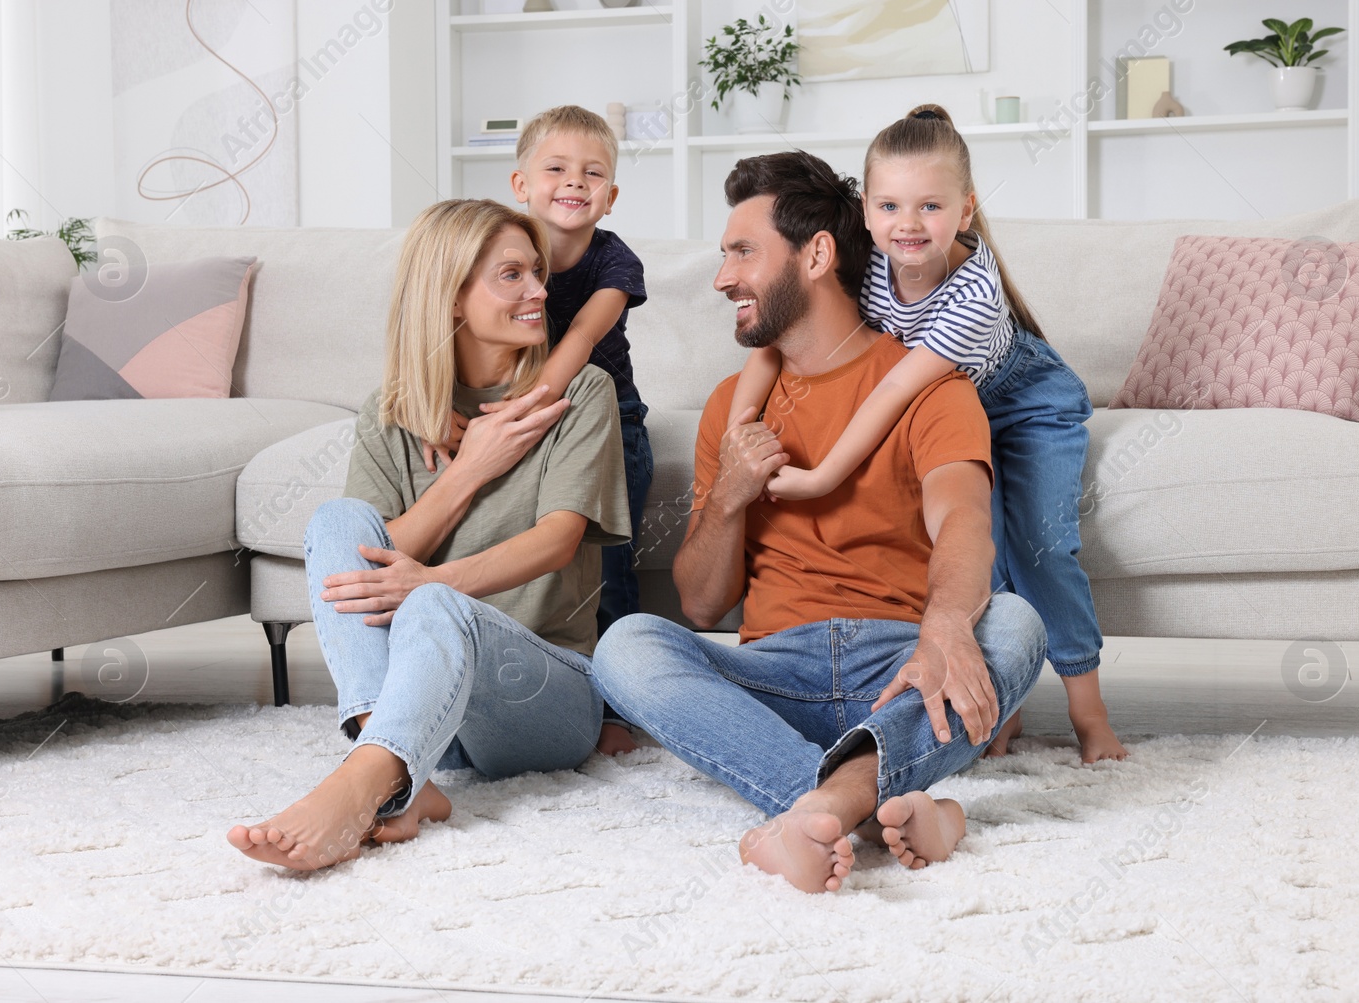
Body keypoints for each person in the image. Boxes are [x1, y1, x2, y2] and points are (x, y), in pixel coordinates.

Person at [590, 151, 1047, 894]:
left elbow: (964, 520)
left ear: (818, 255)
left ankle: (820, 807)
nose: (722, 277)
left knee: (1017, 624)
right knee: (626, 646)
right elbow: (703, 604)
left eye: (743, 252)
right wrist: (730, 496)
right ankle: (867, 805)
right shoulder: (730, 407)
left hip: (901, 672)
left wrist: (943, 629)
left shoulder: (932, 388)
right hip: (774, 674)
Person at [228, 199, 631, 871]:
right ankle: (396, 766)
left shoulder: (578, 393)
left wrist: (433, 583)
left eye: (537, 272)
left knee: (436, 602)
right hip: (430, 715)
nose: (539, 290)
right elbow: (365, 554)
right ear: (450, 299)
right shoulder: (390, 414)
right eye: (512, 275)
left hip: (538, 701)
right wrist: (468, 470)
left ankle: (367, 780)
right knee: (335, 520)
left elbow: (557, 542)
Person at [726, 105, 1125, 764]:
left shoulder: (974, 301)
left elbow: (891, 391)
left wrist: (820, 476)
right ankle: (1004, 709)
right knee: (978, 556)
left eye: (930, 207)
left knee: (1041, 548)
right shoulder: (865, 256)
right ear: (865, 210)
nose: (907, 225)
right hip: (941, 406)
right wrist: (739, 432)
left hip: (1018, 404)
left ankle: (1091, 714)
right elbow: (776, 336)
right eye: (889, 206)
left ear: (965, 210)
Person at [423, 106, 653, 656]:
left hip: (606, 417)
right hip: (521, 410)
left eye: (593, 173)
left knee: (610, 563)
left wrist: (519, 408)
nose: (576, 180)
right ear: (520, 184)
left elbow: (578, 338)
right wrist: (433, 409)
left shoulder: (616, 263)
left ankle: (618, 696)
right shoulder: (499, 248)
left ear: (611, 196)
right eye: (556, 169)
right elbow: (445, 328)